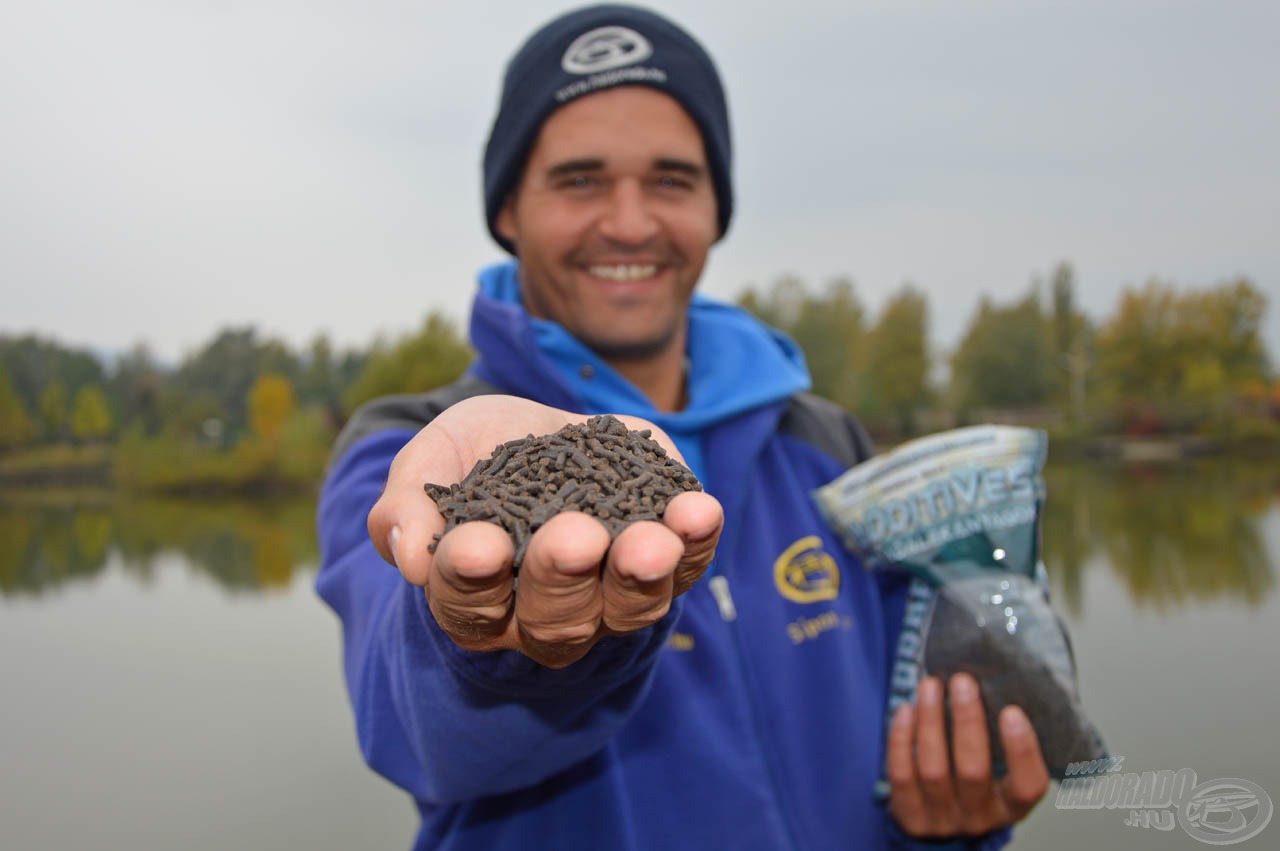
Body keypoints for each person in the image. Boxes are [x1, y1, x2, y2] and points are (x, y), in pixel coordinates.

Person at [316, 5, 1049, 849]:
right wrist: (498, 640)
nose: (630, 223)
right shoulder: (411, 447)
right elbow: (413, 731)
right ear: (509, 208)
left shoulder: (828, 446)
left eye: (671, 179)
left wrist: (955, 820)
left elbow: (913, 725)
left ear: (715, 208)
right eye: (580, 179)